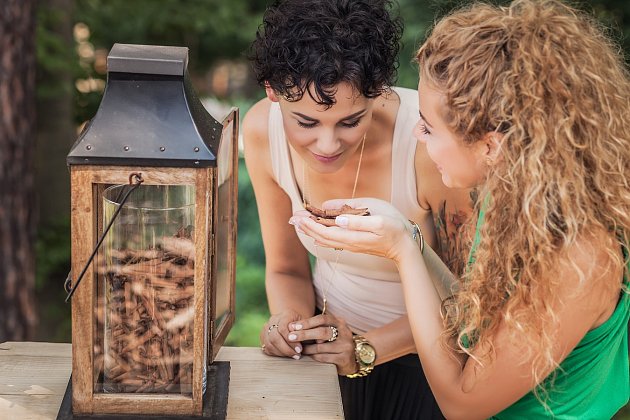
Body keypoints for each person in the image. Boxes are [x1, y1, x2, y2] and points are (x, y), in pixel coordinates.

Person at [290, 0, 630, 418]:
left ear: (491, 145)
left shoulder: (578, 259)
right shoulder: (506, 199)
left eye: (429, 127)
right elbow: (467, 315)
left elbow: (462, 403)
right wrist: (405, 234)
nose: (416, 132)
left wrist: (402, 251)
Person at [242, 0, 473, 418]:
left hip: (429, 362)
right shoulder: (261, 132)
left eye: (351, 121)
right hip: (327, 358)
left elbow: (472, 298)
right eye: (306, 123)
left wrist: (366, 350)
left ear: (379, 91)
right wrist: (290, 325)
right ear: (272, 92)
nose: (327, 146)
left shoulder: (427, 149)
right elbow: (286, 269)